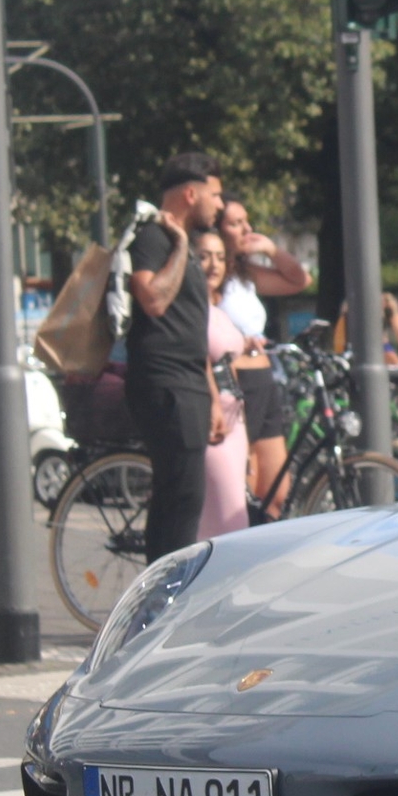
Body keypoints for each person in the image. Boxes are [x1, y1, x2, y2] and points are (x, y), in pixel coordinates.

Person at [124, 152, 227, 560]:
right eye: (215, 195)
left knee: (180, 502)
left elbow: (191, 329)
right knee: (180, 510)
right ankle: (164, 612)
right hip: (166, 385)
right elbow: (151, 298)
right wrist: (182, 244)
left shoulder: (173, 243)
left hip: (188, 385)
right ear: (190, 193)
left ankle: (160, 612)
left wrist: (213, 395)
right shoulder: (155, 238)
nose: (219, 205)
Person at [215, 201, 306, 516]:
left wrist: (270, 249)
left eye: (247, 221)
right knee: (247, 489)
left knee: (277, 493)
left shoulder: (245, 273)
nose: (247, 229)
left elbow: (298, 280)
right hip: (236, 379)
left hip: (264, 377)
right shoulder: (211, 276)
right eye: (236, 223)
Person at [194, 230, 248, 538]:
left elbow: (233, 367)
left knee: (230, 515)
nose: (213, 264)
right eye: (203, 256)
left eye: (219, 257)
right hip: (214, 421)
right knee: (229, 522)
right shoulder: (191, 309)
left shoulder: (217, 310)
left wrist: (247, 435)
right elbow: (198, 358)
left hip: (235, 420)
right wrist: (214, 403)